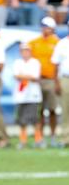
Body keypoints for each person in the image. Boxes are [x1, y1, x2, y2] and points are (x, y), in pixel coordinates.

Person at [29, 16, 61, 147]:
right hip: (37, 80)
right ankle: (39, 137)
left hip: (51, 80)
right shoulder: (35, 42)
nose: (45, 29)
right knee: (39, 111)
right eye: (43, 26)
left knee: (52, 109)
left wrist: (57, 81)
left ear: (52, 28)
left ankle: (53, 136)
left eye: (47, 27)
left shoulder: (57, 43)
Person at [12, 43, 43, 149]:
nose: (25, 53)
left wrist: (24, 76)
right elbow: (16, 76)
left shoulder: (35, 62)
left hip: (33, 95)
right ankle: (23, 140)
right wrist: (27, 76)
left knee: (35, 118)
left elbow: (35, 77)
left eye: (27, 50)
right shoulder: (17, 62)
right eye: (23, 51)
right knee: (21, 119)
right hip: (20, 95)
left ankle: (38, 139)